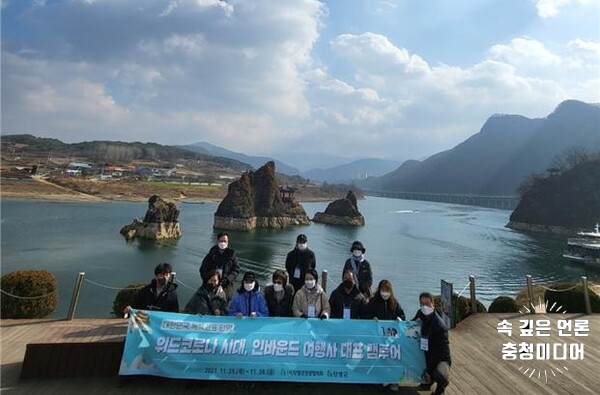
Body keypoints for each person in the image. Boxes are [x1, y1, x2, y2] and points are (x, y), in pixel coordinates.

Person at [418, 292, 451, 395]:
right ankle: (429, 379)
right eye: (422, 304)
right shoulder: (421, 314)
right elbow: (411, 322)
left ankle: (441, 387)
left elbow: (439, 353)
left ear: (433, 305)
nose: (424, 307)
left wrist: (429, 370)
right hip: (427, 352)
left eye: (427, 304)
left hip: (441, 358)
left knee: (439, 374)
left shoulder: (439, 326)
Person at [200, 232, 240, 301]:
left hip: (226, 285)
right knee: (206, 302)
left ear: (228, 242)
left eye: (225, 241)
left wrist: (228, 279)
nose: (223, 243)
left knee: (224, 304)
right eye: (221, 241)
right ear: (218, 241)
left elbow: (236, 269)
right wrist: (207, 279)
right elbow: (203, 268)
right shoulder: (212, 253)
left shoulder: (232, 254)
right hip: (211, 284)